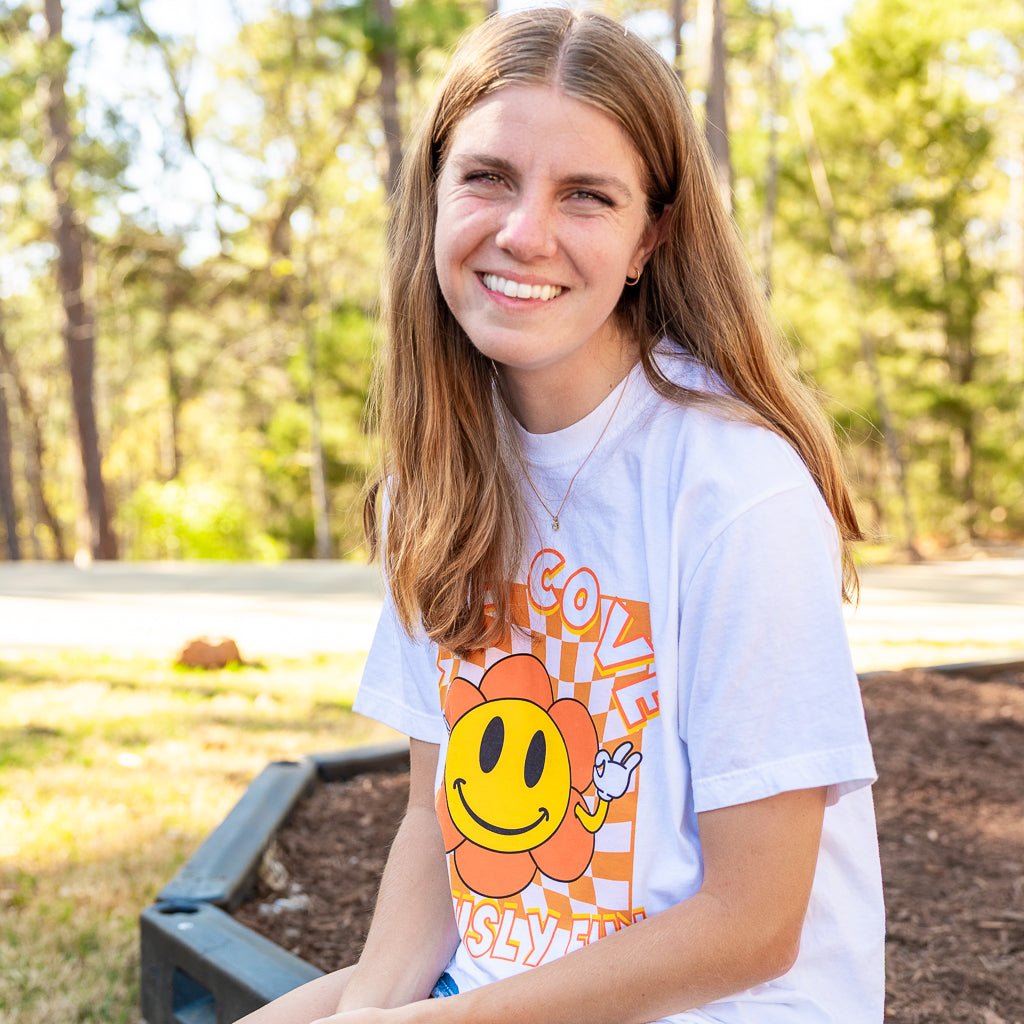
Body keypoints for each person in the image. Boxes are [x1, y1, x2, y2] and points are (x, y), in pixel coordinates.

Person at [237, 9, 884, 1024]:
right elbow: (433, 817)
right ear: (436, 194)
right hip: (499, 990)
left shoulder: (733, 487)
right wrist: (368, 1009)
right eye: (489, 177)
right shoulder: (440, 472)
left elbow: (756, 920)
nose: (523, 233)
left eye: (586, 194)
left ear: (648, 237)